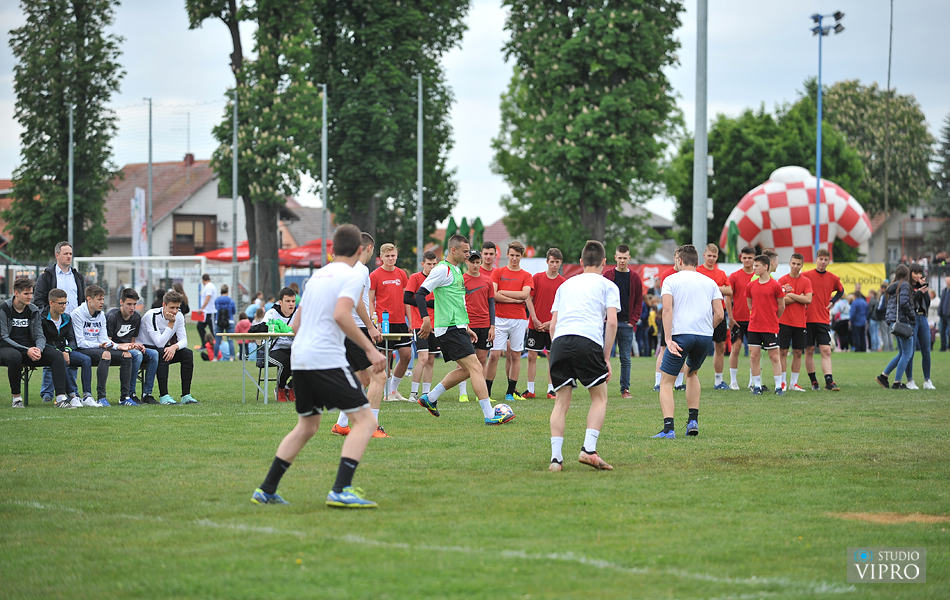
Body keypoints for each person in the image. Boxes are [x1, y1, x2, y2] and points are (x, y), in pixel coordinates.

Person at [250, 223, 387, 508]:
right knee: (365, 421)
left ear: (332, 250)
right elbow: (341, 314)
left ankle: (266, 489)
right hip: (324, 357)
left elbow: (296, 324)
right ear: (359, 250)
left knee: (307, 426)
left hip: (301, 357)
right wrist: (369, 350)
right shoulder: (353, 274)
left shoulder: (316, 277)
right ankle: (340, 489)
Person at [416, 234, 514, 425]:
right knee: (476, 367)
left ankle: (430, 398)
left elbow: (456, 302)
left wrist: (466, 327)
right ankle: (489, 415)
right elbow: (420, 294)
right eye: (465, 251)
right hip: (449, 328)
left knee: (467, 369)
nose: (468, 255)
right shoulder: (442, 270)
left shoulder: (456, 270)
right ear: (454, 250)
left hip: (457, 327)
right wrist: (426, 319)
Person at [547, 240, 619, 471]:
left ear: (581, 262)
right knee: (599, 397)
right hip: (588, 340)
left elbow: (552, 325)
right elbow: (612, 323)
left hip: (560, 341)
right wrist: (606, 357)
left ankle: (556, 460)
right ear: (604, 262)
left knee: (561, 402)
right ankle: (589, 449)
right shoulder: (608, 285)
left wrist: (557, 349)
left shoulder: (565, 285)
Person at [654, 245, 724, 439]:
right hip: (703, 336)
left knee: (666, 382)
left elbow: (667, 309)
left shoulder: (671, 280)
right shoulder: (710, 282)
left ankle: (668, 429)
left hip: (681, 335)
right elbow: (719, 314)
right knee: (692, 374)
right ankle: (693, 420)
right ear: (697, 262)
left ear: (680, 261)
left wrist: (668, 339)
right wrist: (707, 329)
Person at [332, 233, 388, 438]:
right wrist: (371, 327)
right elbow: (356, 300)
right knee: (380, 376)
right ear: (370, 248)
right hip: (356, 329)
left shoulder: (347, 267)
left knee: (363, 378)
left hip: (345, 328)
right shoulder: (361, 269)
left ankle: (341, 424)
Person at [0, 277, 71, 408]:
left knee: (57, 355)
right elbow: (4, 337)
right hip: (7, 348)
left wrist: (38, 349)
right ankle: (17, 399)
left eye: (31, 293)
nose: (30, 297)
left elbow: (40, 335)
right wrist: (26, 350)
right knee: (14, 356)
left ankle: (60, 399)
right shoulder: (4, 309)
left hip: (30, 349)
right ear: (16, 293)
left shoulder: (33, 310)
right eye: (26, 293)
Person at [33, 241, 85, 403]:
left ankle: (72, 392)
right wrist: (48, 316)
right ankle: (47, 393)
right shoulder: (47, 276)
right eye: (65, 253)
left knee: (71, 355)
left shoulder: (77, 276)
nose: (69, 256)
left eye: (70, 253)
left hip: (72, 322)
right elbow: (38, 299)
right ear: (57, 255)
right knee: (52, 354)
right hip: (52, 321)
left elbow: (81, 299)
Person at [486, 241, 534, 401]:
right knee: (494, 355)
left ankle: (510, 392)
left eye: (517, 256)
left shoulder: (526, 275)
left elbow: (524, 295)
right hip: (499, 318)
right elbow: (493, 294)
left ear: (521, 256)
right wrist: (515, 299)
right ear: (507, 254)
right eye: (512, 255)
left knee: (515, 355)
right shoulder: (498, 272)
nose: (514, 258)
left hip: (519, 320)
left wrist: (504, 292)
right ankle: (487, 392)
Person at [369, 243, 412, 401]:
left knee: (406, 355)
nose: (390, 258)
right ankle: (386, 392)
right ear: (381, 257)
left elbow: (406, 300)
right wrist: (375, 321)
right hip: (384, 323)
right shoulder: (375, 275)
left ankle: (393, 390)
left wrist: (410, 321)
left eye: (393, 255)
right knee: (386, 356)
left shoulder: (402, 274)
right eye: (387, 256)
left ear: (396, 256)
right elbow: (370, 300)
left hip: (400, 322)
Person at [139, 290, 199, 405]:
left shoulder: (179, 315)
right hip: (145, 349)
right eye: (172, 307)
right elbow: (159, 343)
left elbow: (184, 340)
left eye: (177, 307)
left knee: (187, 353)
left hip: (161, 348)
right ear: (164, 305)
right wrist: (170, 324)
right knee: (163, 352)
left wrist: (174, 347)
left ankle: (186, 396)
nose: (175, 311)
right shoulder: (151, 315)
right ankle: (164, 396)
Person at [601, 244, 642, 399]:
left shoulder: (635, 278)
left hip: (626, 323)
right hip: (608, 323)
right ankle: (600, 387)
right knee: (603, 356)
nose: (622, 261)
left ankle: (625, 389)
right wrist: (603, 318)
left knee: (625, 358)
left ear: (629, 258)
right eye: (620, 258)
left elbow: (639, 301)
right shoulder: (607, 275)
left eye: (625, 258)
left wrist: (633, 321)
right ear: (615, 257)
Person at [525, 248, 567, 399]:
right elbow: (528, 299)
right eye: (552, 261)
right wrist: (534, 319)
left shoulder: (563, 283)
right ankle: (530, 389)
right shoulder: (537, 278)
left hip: (553, 326)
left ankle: (551, 390)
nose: (554, 265)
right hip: (535, 324)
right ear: (547, 261)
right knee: (531, 355)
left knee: (552, 357)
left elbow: (564, 306)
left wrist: (551, 322)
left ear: (560, 263)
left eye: (557, 262)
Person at [106, 287, 159, 405]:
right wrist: (130, 346)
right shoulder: (112, 317)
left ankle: (147, 394)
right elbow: (108, 342)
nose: (132, 308)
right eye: (129, 304)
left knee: (154, 354)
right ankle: (130, 393)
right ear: (121, 302)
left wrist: (136, 345)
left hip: (129, 348)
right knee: (137, 355)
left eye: (134, 304)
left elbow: (132, 340)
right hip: (114, 349)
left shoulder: (136, 317)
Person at [41, 288, 91, 407]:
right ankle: (73, 396)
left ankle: (87, 396)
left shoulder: (67, 318)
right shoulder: (41, 318)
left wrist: (67, 350)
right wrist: (60, 352)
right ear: (51, 303)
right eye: (60, 303)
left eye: (65, 303)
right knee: (60, 359)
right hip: (48, 352)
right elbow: (41, 340)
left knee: (86, 359)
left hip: (64, 351)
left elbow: (72, 339)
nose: (64, 306)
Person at [802, 249, 844, 391]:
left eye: (826, 260)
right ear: (816, 260)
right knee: (809, 350)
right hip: (807, 319)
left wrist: (833, 301)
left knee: (826, 350)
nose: (823, 262)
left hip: (823, 319)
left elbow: (841, 291)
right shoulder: (805, 276)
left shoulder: (833, 278)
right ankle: (814, 381)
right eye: (821, 259)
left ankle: (829, 382)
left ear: (829, 261)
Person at [746, 255, 787, 396]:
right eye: (754, 265)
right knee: (754, 357)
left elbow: (781, 306)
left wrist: (772, 319)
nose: (754, 268)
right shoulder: (751, 285)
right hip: (754, 327)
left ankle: (778, 387)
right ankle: (757, 386)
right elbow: (750, 305)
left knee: (774, 357)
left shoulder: (775, 285)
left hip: (770, 327)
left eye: (757, 265)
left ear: (766, 266)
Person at [459, 249, 495, 403]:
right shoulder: (461, 280)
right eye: (472, 262)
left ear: (481, 262)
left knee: (482, 360)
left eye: (477, 262)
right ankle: (463, 393)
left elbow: (491, 304)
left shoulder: (487, 281)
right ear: (466, 262)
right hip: (467, 326)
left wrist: (492, 326)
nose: (475, 265)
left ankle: (481, 393)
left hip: (484, 325)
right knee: (464, 361)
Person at [695, 244, 732, 390]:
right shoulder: (697, 271)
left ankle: (718, 381)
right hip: (701, 313)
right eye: (709, 255)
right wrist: (717, 287)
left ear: (717, 257)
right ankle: (691, 377)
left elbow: (729, 290)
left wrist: (712, 287)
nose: (711, 258)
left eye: (714, 256)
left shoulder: (721, 273)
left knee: (720, 346)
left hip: (719, 312)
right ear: (704, 256)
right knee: (696, 347)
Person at [71, 285, 115, 406]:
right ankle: (99, 396)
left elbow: (104, 338)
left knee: (127, 355)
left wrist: (119, 346)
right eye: (99, 299)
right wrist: (100, 345)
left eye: (103, 299)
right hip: (80, 349)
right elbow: (80, 342)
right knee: (105, 354)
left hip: (95, 348)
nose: (102, 302)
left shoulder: (101, 314)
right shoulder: (77, 314)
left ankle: (127, 396)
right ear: (89, 299)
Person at [405, 251, 439, 401]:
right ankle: (413, 393)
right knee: (423, 358)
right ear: (422, 264)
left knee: (431, 359)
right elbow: (407, 298)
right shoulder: (415, 277)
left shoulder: (438, 279)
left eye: (434, 264)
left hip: (435, 323)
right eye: (429, 264)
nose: (432, 267)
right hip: (420, 323)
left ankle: (426, 394)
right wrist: (427, 303)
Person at [777, 253, 813, 392]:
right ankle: (782, 382)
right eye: (793, 263)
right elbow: (781, 300)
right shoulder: (782, 280)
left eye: (798, 264)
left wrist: (791, 295)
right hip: (784, 321)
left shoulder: (806, 281)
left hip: (800, 322)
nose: (795, 266)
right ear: (789, 263)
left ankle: (794, 383)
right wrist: (799, 297)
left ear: (802, 265)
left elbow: (808, 299)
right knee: (783, 352)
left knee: (798, 352)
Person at [877, 265, 915, 390]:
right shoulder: (904, 285)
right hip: (902, 322)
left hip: (894, 322)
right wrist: (912, 316)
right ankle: (897, 383)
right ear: (907, 274)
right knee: (907, 353)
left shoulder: (893, 286)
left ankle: (883, 376)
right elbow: (904, 303)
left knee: (901, 353)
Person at [727, 247, 756, 390]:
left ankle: (752, 381)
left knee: (753, 351)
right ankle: (733, 381)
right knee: (736, 348)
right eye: (745, 258)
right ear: (741, 258)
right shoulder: (734, 276)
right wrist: (730, 317)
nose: (747, 260)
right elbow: (728, 297)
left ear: (754, 258)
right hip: (737, 319)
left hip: (754, 320)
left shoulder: (758, 276)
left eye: (750, 258)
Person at [653, 262, 684, 392]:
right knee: (664, 348)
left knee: (682, 349)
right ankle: (658, 382)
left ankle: (679, 383)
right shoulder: (667, 274)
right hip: (669, 316)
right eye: (677, 258)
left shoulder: (686, 275)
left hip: (681, 317)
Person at [263, 287, 297, 402]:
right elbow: (264, 328)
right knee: (286, 362)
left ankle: (291, 387)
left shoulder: (298, 314)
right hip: (273, 349)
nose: (291, 304)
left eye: (293, 301)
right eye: (288, 301)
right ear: (280, 302)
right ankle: (280, 388)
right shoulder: (272, 313)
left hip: (293, 348)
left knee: (309, 361)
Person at [904, 264, 935, 390]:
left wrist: (924, 289)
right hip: (912, 319)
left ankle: (927, 380)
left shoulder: (922, 285)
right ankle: (910, 380)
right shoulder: (907, 286)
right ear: (910, 273)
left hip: (923, 318)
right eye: (915, 273)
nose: (918, 276)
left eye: (920, 273)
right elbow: (909, 302)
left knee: (926, 351)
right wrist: (918, 292)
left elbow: (927, 303)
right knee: (910, 351)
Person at [213, 284, 237, 361]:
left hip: (219, 321)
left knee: (217, 341)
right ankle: (231, 357)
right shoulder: (231, 301)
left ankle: (215, 357)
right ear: (227, 291)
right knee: (230, 341)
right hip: (229, 321)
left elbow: (216, 308)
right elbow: (234, 311)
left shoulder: (217, 300)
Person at [197, 274, 218, 342]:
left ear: (203, 280)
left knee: (213, 330)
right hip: (206, 312)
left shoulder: (209, 286)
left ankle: (217, 344)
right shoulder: (207, 286)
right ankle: (205, 343)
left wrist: (202, 308)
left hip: (211, 311)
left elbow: (208, 298)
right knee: (200, 326)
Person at [940, 276, 950, 352]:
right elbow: (942, 302)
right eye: (946, 281)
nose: (947, 282)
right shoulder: (944, 291)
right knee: (942, 331)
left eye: (948, 281)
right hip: (943, 315)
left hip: (949, 315)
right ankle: (943, 347)